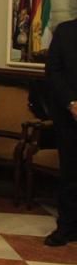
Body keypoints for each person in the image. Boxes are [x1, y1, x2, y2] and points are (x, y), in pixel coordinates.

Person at [44, 15, 77, 246]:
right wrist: (72, 103)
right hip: (69, 117)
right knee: (70, 175)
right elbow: (53, 71)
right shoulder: (65, 31)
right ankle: (66, 227)